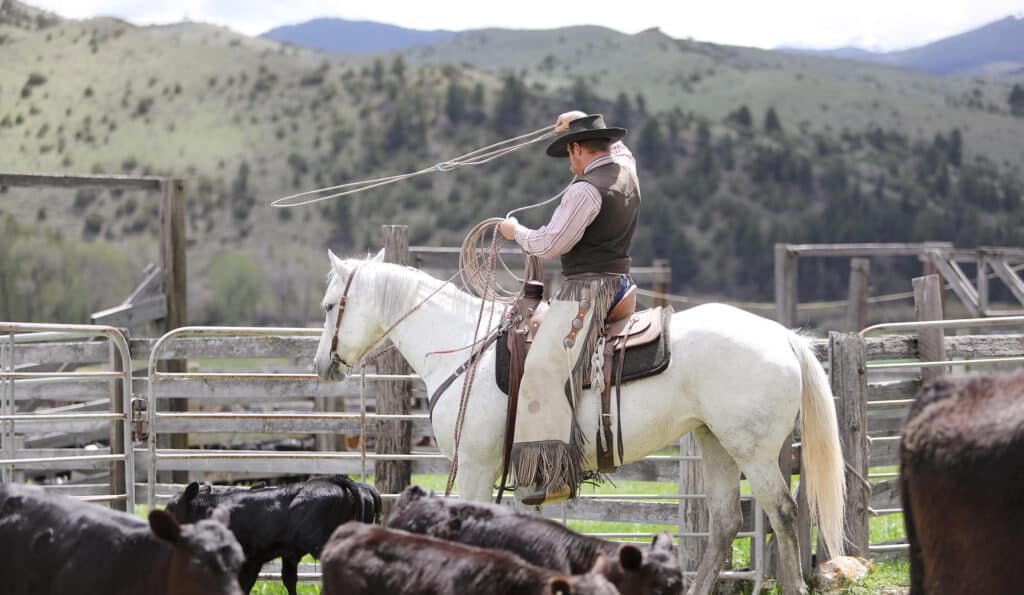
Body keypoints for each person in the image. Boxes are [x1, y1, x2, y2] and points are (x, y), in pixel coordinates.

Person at [497, 111, 641, 505]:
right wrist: (579, 118)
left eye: (569, 153)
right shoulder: (626, 169)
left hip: (589, 291)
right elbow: (623, 150)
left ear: (578, 149)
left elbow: (548, 244)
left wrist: (514, 233)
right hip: (621, 283)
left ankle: (552, 471)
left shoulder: (584, 191)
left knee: (542, 366)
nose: (570, 163)